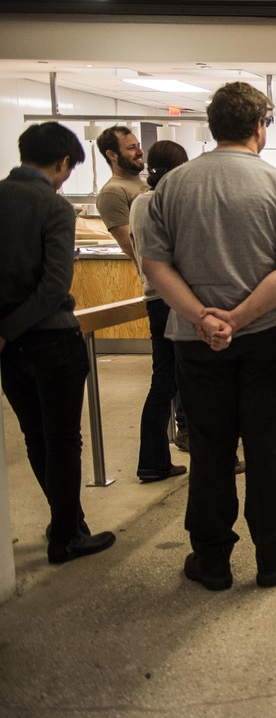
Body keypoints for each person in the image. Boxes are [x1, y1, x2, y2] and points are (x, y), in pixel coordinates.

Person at [141, 81, 276, 590]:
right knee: (269, 447)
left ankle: (212, 557)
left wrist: (205, 317)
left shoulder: (172, 187)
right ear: (260, 127)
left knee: (210, 447)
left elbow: (154, 263)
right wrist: (239, 317)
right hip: (270, 336)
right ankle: (275, 554)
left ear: (211, 125)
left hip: (195, 342)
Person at [0, 122, 117, 565]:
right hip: (50, 338)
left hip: (10, 348)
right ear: (63, 163)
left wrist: (5, 331)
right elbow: (53, 287)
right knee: (64, 438)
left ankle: (67, 520)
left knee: (35, 436)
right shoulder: (54, 207)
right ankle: (66, 535)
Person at [127, 140, 190, 483]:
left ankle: (153, 461)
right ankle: (212, 454)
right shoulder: (174, 201)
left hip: (154, 299)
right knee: (194, 378)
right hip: (177, 298)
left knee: (163, 379)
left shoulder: (139, 203)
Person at [95, 125, 147, 259]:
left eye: (138, 145)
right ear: (112, 155)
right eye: (131, 148)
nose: (140, 151)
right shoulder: (112, 192)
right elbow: (131, 246)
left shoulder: (145, 183)